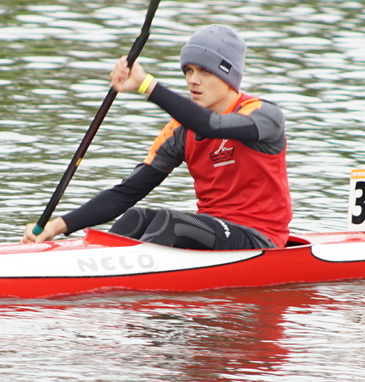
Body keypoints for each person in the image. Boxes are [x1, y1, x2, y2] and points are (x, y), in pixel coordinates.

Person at [22, 24, 292, 250]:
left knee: (169, 222)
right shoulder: (179, 131)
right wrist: (58, 225)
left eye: (205, 71)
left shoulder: (263, 116)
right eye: (189, 70)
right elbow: (126, 193)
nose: (193, 80)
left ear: (229, 76)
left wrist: (146, 85)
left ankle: (119, 284)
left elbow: (212, 125)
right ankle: (94, 281)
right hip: (213, 232)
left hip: (259, 238)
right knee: (136, 217)